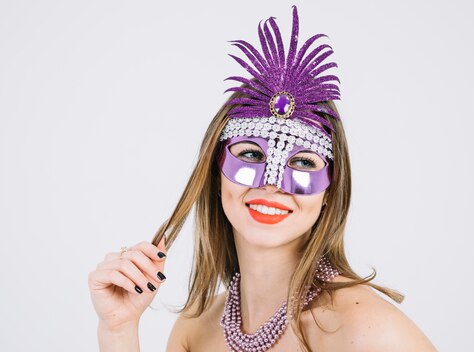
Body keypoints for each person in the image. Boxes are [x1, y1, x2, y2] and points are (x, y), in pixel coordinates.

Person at [88, 5, 438, 352]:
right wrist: (118, 332)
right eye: (252, 155)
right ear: (217, 171)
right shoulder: (195, 329)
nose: (272, 183)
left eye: (302, 161)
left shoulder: (369, 333)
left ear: (331, 189)